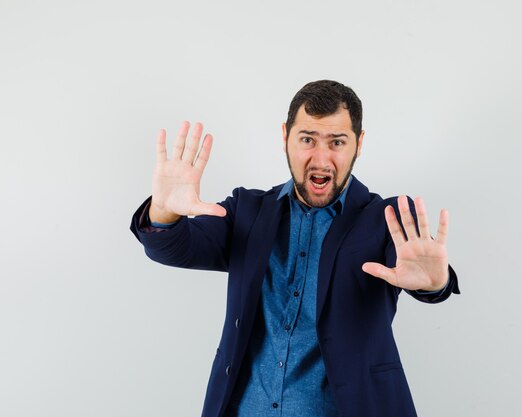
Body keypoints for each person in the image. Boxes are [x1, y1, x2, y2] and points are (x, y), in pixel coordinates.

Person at [130, 80, 460, 417]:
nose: (321, 158)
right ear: (285, 137)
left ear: (358, 144)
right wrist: (164, 210)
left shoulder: (385, 220)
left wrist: (435, 283)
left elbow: (425, 274)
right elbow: (172, 248)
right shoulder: (248, 211)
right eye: (307, 140)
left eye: (337, 142)